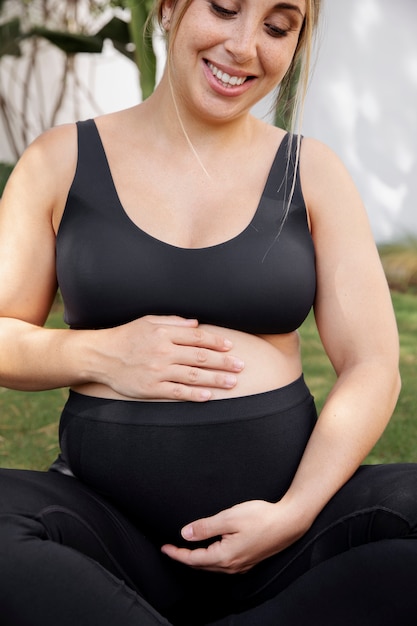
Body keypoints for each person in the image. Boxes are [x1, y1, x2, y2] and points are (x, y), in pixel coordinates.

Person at [0, 0, 416, 624]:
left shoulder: (313, 172)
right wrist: (97, 353)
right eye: (225, 8)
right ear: (169, 8)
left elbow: (374, 365)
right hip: (106, 536)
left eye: (278, 28)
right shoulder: (59, 162)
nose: (246, 47)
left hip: (286, 539)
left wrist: (295, 512)